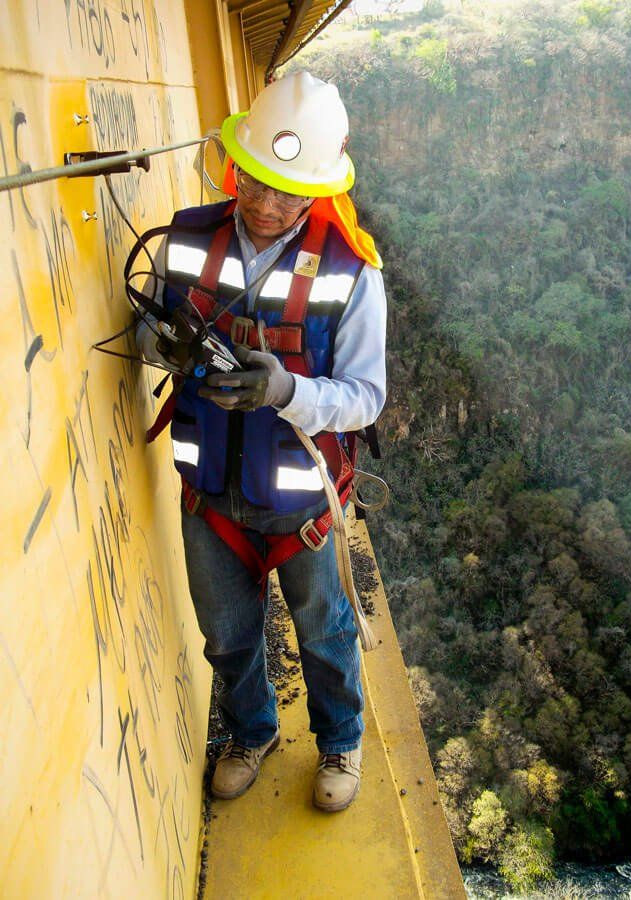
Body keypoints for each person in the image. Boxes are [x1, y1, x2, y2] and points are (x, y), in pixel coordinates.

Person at [136, 71, 386, 812]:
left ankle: (339, 742)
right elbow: (148, 325)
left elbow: (366, 397)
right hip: (208, 491)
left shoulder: (351, 272)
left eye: (288, 192)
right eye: (256, 181)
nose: (267, 204)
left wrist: (287, 391)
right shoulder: (186, 237)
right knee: (227, 634)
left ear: (317, 193)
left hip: (299, 499)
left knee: (325, 631)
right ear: (235, 165)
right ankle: (252, 731)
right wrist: (166, 345)